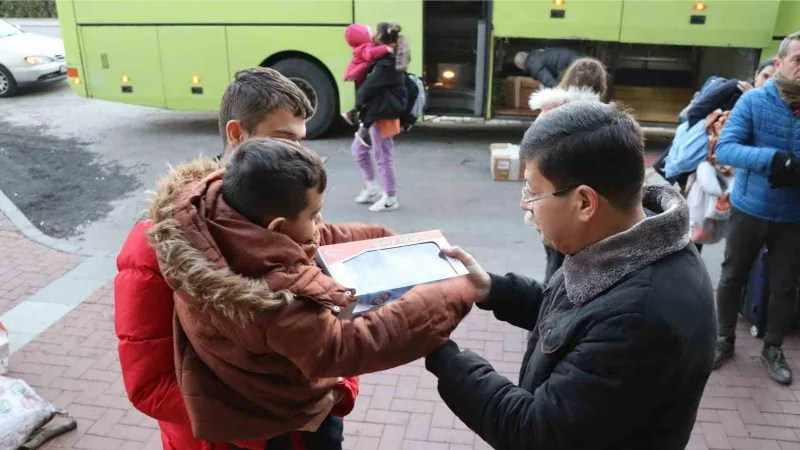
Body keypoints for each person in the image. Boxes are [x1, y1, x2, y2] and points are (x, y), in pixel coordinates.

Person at [424, 101, 717, 450]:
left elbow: (534, 431)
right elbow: (572, 318)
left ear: (584, 203)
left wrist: (441, 352)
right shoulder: (628, 244)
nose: (525, 204)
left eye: (533, 191)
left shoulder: (638, 319)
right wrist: (490, 289)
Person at [145, 138, 476, 443]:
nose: (319, 223)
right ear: (277, 227)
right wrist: (454, 290)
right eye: (313, 215)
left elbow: (315, 238)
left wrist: (385, 241)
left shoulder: (216, 215)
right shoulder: (270, 303)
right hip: (283, 421)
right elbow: (348, 345)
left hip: (248, 396)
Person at [114, 67, 359, 450]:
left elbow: (332, 321)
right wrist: (282, 413)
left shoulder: (294, 211)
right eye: (283, 139)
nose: (296, 154)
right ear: (236, 134)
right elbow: (150, 386)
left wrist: (338, 390)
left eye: (301, 143)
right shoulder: (156, 243)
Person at [711, 32, 800, 384]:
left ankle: (773, 347)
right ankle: (724, 337)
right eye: (798, 60)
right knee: (733, 275)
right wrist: (774, 160)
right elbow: (727, 150)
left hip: (793, 216)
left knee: (785, 286)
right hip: (750, 208)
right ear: (779, 63)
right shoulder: (754, 102)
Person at [527, 57, 608, 285]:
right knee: (574, 264)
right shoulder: (599, 117)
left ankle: (548, 306)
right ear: (599, 85)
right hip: (581, 202)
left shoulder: (547, 112)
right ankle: (556, 310)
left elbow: (530, 156)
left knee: (553, 260)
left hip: (545, 198)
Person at [351, 22, 410, 212]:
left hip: (383, 116)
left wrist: (356, 106)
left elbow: (368, 88)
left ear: (381, 38)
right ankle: (371, 187)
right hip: (373, 114)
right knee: (358, 150)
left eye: (376, 32)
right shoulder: (382, 57)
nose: (372, 35)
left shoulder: (387, 63)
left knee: (383, 157)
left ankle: (390, 197)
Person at [340, 24, 394, 126]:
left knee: (364, 97)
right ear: (363, 36)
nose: (373, 34)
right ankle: (354, 115)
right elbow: (370, 55)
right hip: (360, 76)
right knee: (365, 97)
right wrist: (386, 49)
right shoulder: (365, 46)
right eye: (370, 33)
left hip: (359, 75)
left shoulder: (360, 46)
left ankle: (356, 117)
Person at [513, 47, 583, 88]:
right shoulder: (537, 54)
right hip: (576, 59)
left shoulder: (533, 66)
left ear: (522, 67)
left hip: (575, 66)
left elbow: (550, 81)